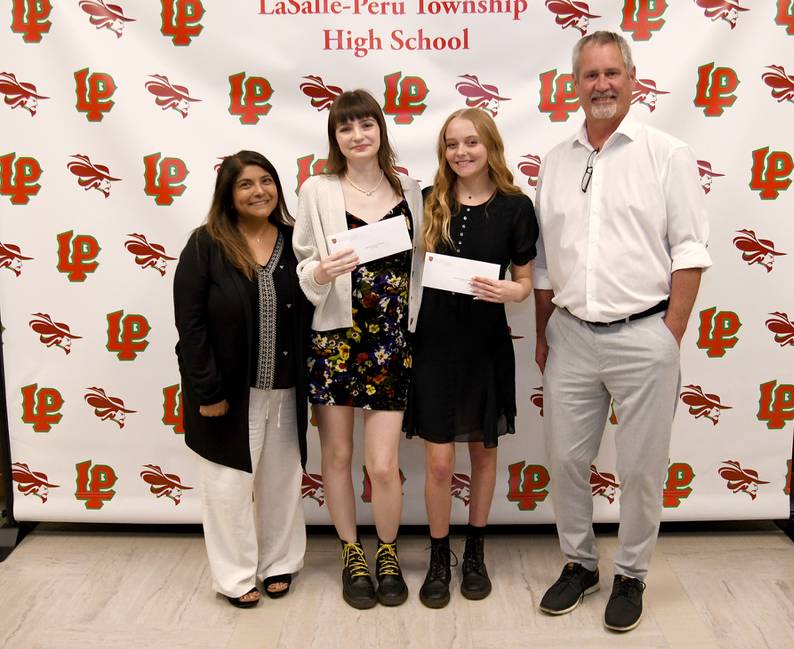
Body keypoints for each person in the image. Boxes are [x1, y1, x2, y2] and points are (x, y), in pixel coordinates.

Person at [533, 31, 711, 632]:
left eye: (612, 73)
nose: (602, 85)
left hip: (644, 336)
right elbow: (541, 262)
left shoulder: (666, 152)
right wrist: (542, 333)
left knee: (640, 467)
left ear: (632, 79)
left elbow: (690, 249)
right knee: (564, 459)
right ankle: (580, 564)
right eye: (590, 75)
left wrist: (671, 332)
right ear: (574, 85)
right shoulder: (556, 161)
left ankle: (631, 574)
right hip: (570, 335)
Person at [292, 89, 424, 609]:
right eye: (346, 128)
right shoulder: (317, 190)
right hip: (335, 340)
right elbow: (304, 259)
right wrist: (320, 271)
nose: (358, 135)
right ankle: (352, 552)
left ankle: (386, 551)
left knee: (384, 463)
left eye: (366, 125)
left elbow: (422, 262)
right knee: (338, 456)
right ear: (336, 138)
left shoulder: (409, 189)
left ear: (380, 130)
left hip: (393, 341)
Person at [406, 108, 538, 608]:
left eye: (471, 142)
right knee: (439, 464)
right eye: (451, 144)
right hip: (435, 347)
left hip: (485, 346)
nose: (460, 152)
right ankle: (441, 554)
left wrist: (512, 291)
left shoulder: (516, 207)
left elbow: (527, 284)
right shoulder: (427, 202)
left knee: (484, 453)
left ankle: (476, 548)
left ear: (491, 146)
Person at [173, 151, 311, 608]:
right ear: (228, 195)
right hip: (228, 394)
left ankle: (279, 564)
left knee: (282, 481)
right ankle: (235, 578)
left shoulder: (296, 241)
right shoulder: (205, 244)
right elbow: (190, 326)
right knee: (228, 486)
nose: (259, 192)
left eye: (267, 181)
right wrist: (206, 391)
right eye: (246, 184)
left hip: (288, 389)